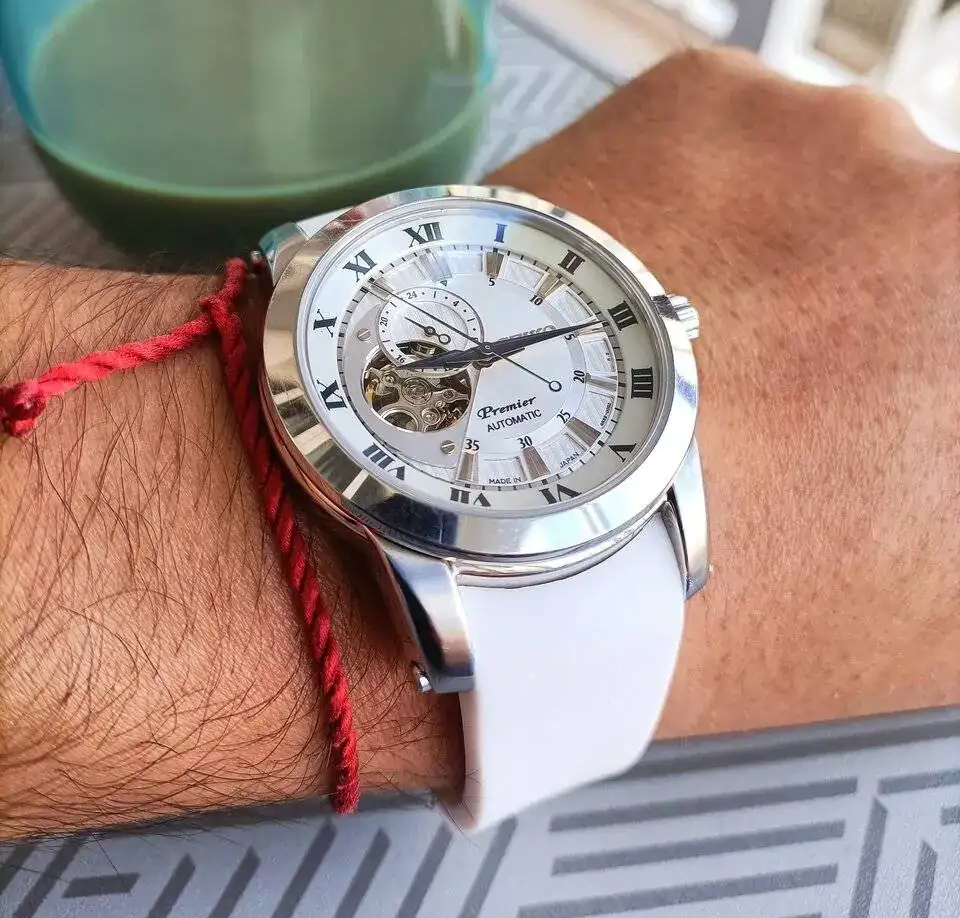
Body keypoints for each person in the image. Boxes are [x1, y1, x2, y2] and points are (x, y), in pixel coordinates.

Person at [1, 48, 958, 841]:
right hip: (419, 508)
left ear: (669, 322)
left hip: (602, 481)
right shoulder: (322, 322)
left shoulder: (657, 434)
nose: (484, 354)